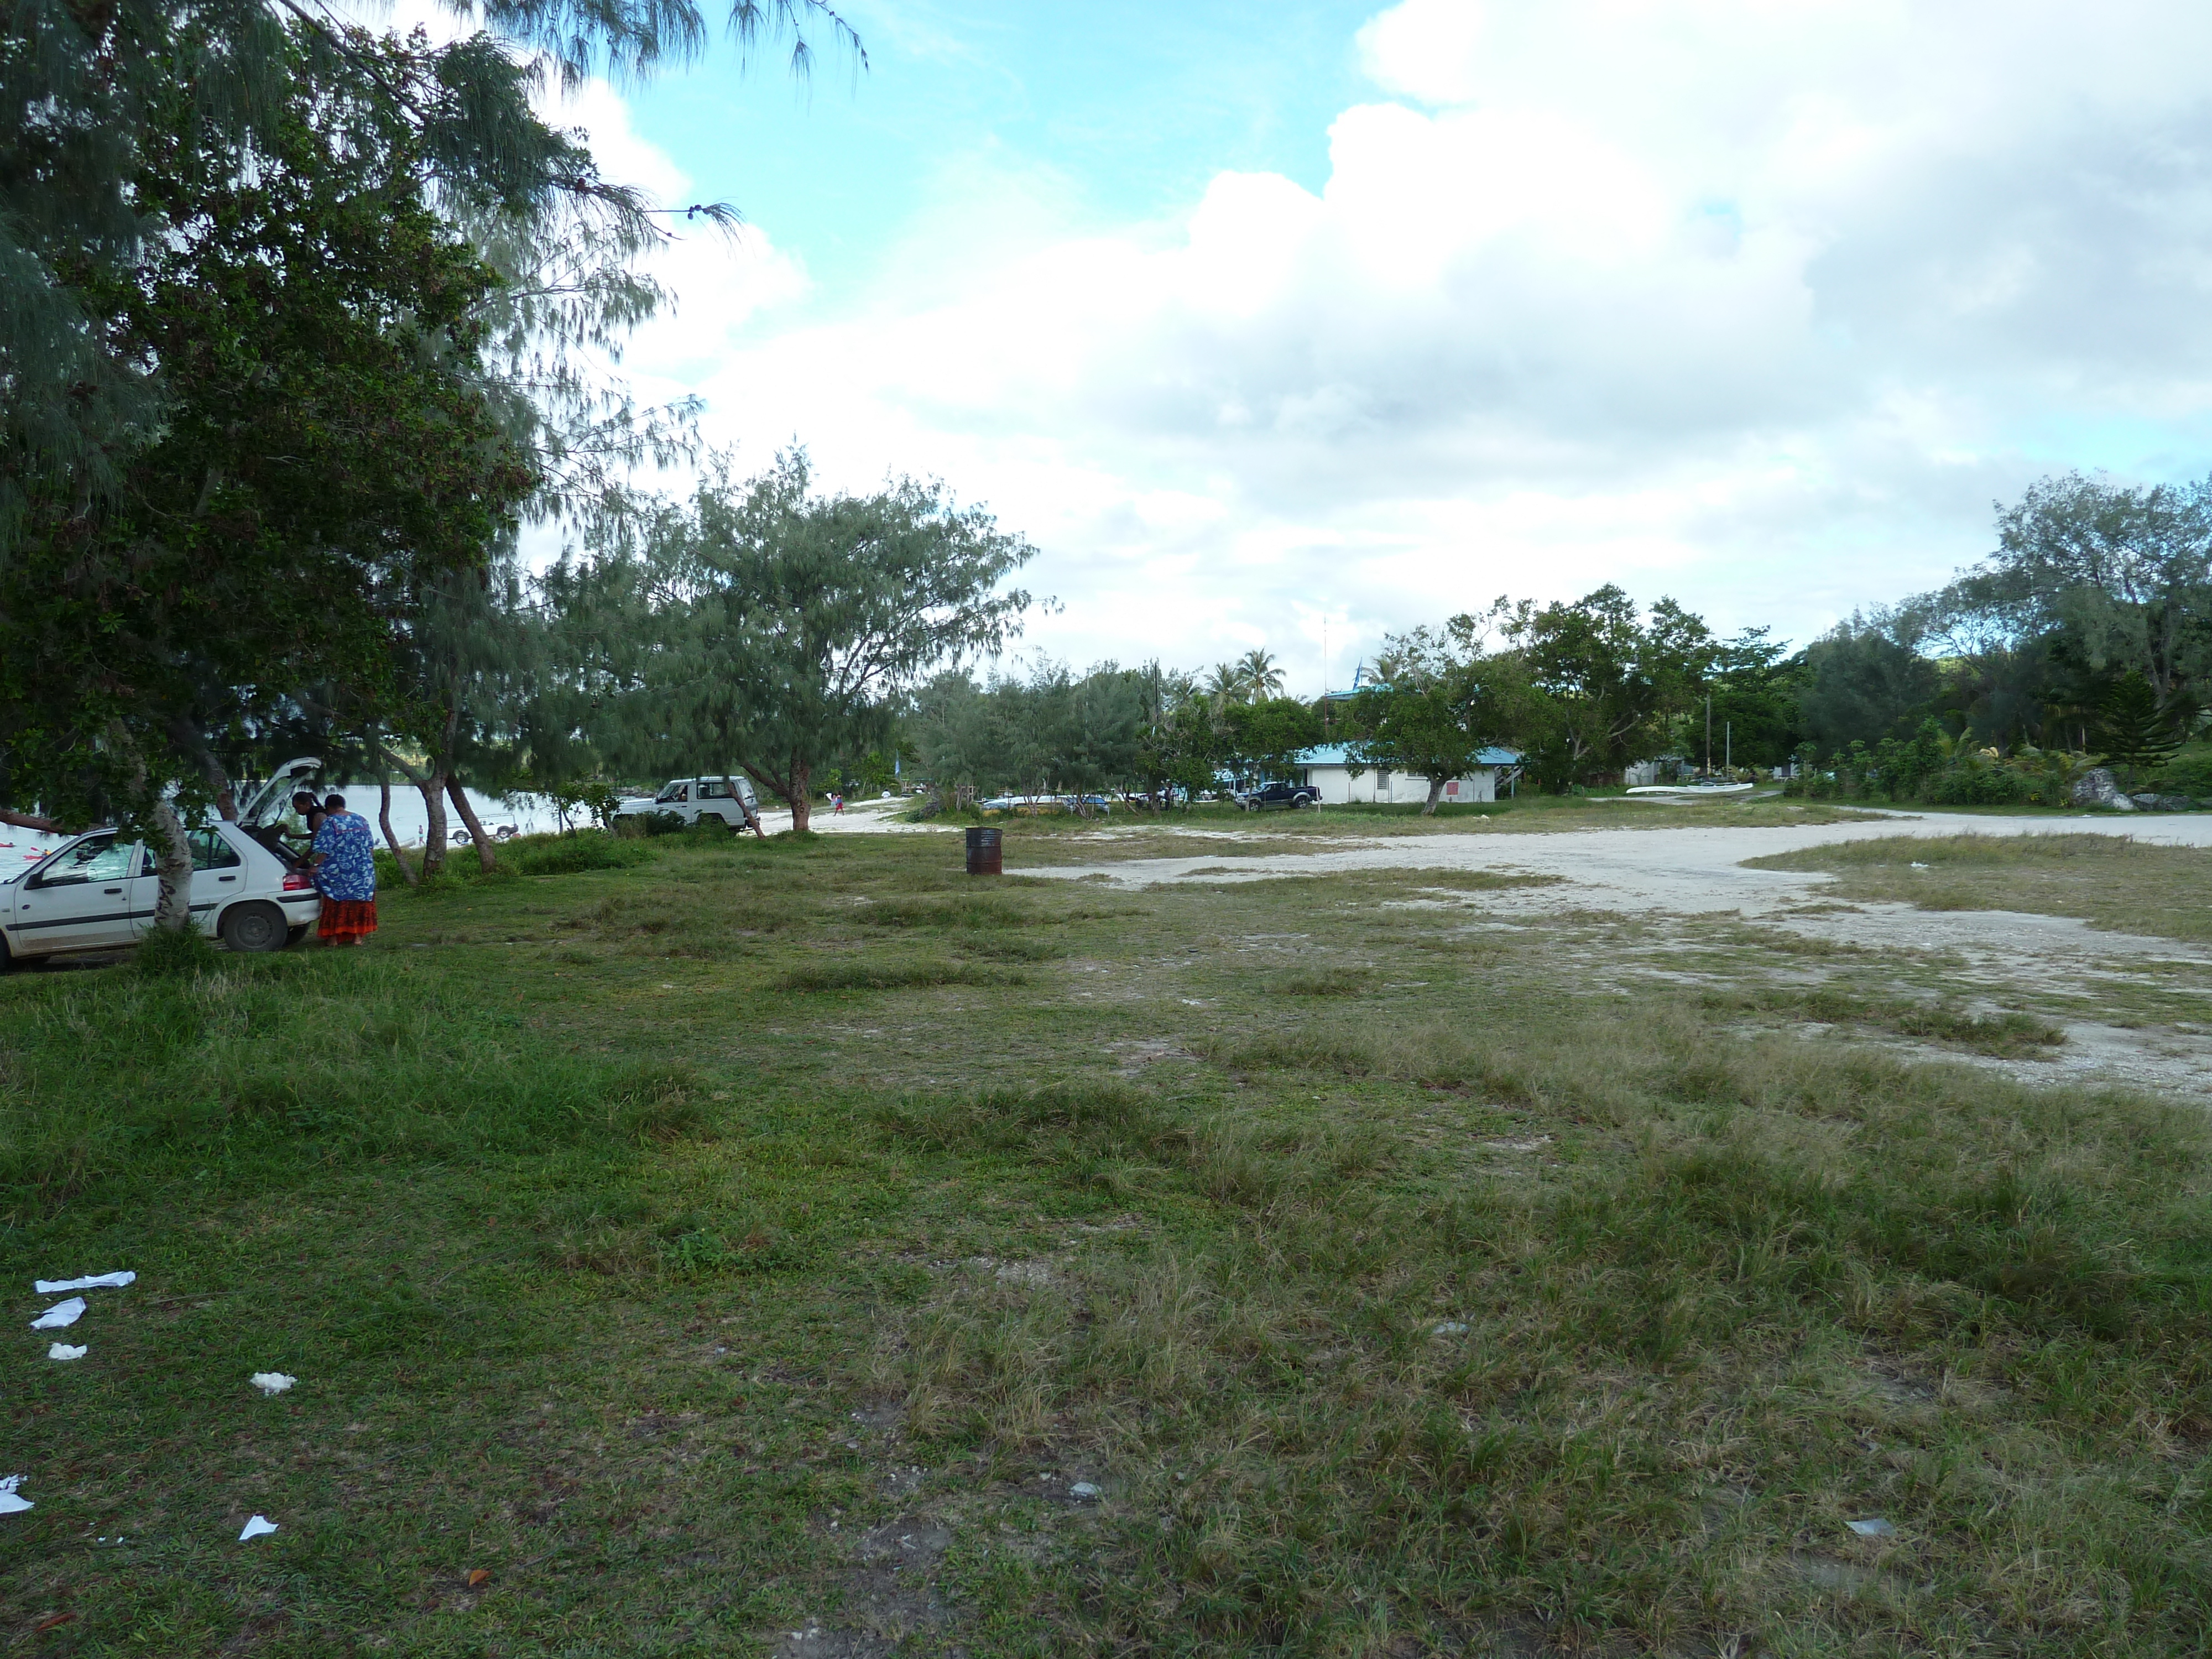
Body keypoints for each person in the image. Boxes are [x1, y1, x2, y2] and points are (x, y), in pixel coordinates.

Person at [306, 792, 378, 947]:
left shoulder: (331, 822)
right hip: (362, 872)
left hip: (339, 873)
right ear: (343, 805)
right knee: (360, 903)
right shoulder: (362, 820)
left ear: (329, 808)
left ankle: (333, 938)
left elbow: (324, 849)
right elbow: (370, 847)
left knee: (335, 902)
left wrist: (316, 866)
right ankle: (357, 938)